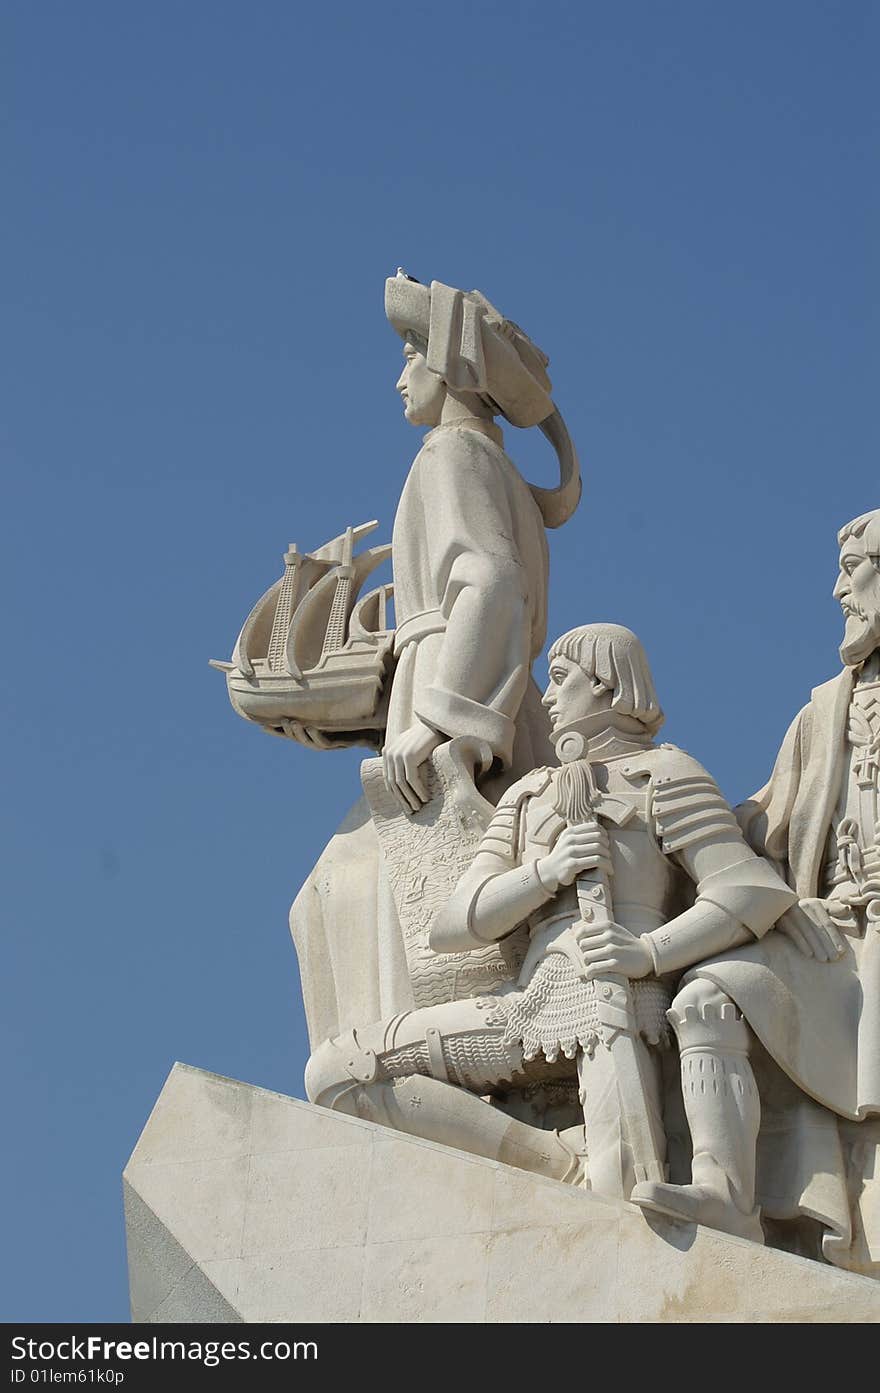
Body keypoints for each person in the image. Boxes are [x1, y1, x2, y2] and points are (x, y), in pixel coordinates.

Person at [305, 623, 794, 1199]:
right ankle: (562, 1166)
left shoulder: (662, 774)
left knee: (625, 1195)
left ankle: (598, 1171)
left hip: (618, 996)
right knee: (338, 1073)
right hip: (527, 1003)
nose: (546, 697)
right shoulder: (530, 793)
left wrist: (647, 952)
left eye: (562, 680)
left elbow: (748, 890)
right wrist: (547, 871)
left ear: (608, 686)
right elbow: (456, 924)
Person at [291, 273, 581, 1044]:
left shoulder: (448, 451)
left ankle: (390, 1067)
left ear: (452, 366)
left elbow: (491, 582)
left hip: (456, 718)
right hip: (477, 699)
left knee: (343, 896)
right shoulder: (498, 470)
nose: (399, 374)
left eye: (411, 352)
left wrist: (437, 721)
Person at [632, 510, 880, 1272]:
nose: (840, 587)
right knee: (708, 994)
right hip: (838, 932)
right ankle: (724, 1193)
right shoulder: (823, 713)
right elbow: (753, 829)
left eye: (855, 567)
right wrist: (787, 898)